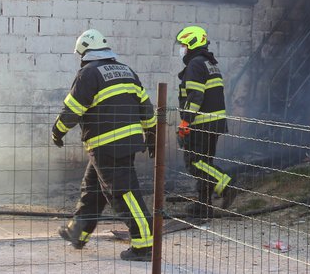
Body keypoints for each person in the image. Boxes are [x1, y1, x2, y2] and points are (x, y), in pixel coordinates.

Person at [51, 29, 156, 262]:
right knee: (93, 188)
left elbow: (72, 110)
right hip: (125, 143)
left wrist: (57, 131)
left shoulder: (88, 74)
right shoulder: (127, 71)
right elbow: (146, 109)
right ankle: (77, 232)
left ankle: (144, 245)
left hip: (106, 145)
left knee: (123, 194)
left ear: (85, 52)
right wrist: (152, 136)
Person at [175, 25, 236, 220]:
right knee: (206, 163)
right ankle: (203, 205)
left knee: (195, 162)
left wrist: (186, 121)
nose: (182, 48)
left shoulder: (195, 64)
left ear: (192, 43)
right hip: (214, 122)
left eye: (184, 44)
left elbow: (195, 96)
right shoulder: (210, 63)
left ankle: (226, 185)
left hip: (201, 123)